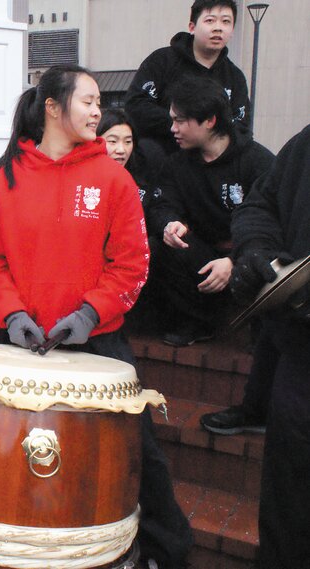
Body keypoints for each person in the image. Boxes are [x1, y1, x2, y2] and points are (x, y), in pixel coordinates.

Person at [0, 64, 193, 569]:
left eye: (98, 102)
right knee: (8, 449)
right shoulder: (3, 179)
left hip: (97, 342)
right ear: (52, 107)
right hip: (18, 340)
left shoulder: (112, 178)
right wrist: (11, 314)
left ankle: (169, 553)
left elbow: (133, 263)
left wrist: (92, 312)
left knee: (140, 454)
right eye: (87, 101)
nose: (97, 110)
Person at [224, 124, 310, 569]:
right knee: (288, 505)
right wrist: (259, 248)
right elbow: (260, 204)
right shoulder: (305, 144)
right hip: (299, 358)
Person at [148, 76, 273, 347]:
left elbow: (273, 223)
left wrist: (235, 260)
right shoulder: (176, 165)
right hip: (201, 255)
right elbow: (161, 204)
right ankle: (196, 322)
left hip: (247, 255)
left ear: (210, 121)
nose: (173, 129)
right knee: (159, 246)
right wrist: (170, 223)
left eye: (180, 121)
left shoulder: (258, 162)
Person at [124, 0, 248, 164]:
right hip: (160, 159)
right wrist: (184, 125)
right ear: (192, 27)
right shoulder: (161, 61)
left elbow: (241, 125)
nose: (218, 28)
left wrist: (207, 137)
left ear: (232, 30)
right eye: (210, 20)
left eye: (226, 21)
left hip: (212, 166)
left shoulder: (235, 76)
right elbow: (136, 105)